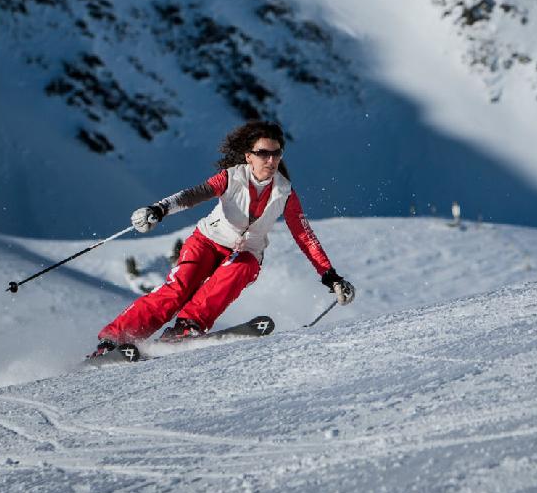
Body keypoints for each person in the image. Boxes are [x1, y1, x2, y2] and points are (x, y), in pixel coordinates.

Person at [89, 121, 354, 357]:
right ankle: (114, 340)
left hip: (246, 251)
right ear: (249, 156)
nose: (270, 160)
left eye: (276, 154)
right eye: (263, 154)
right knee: (178, 290)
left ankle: (186, 327)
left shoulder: (284, 192)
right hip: (207, 241)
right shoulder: (232, 177)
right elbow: (194, 194)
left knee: (245, 266)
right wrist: (158, 210)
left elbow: (304, 236)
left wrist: (330, 275)